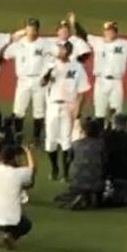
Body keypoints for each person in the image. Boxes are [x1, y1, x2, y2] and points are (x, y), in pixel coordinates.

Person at [41, 40, 91, 181]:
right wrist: (48, 74)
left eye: (62, 49)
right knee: (50, 140)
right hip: (52, 106)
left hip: (69, 106)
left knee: (66, 140)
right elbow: (42, 83)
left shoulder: (77, 67)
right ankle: (54, 168)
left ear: (68, 51)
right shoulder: (51, 65)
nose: (60, 51)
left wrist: (78, 111)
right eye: (59, 48)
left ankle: (66, 172)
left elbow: (82, 91)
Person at [0, 144, 36, 250]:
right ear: (13, 158)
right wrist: (29, 152)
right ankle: (10, 236)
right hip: (11, 221)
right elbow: (32, 169)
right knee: (27, 224)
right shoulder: (19, 173)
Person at [58, 117, 108, 209]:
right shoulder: (102, 144)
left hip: (76, 181)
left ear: (83, 131)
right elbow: (105, 162)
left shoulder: (75, 144)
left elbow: (69, 160)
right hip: (97, 183)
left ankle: (82, 197)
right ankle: (94, 199)